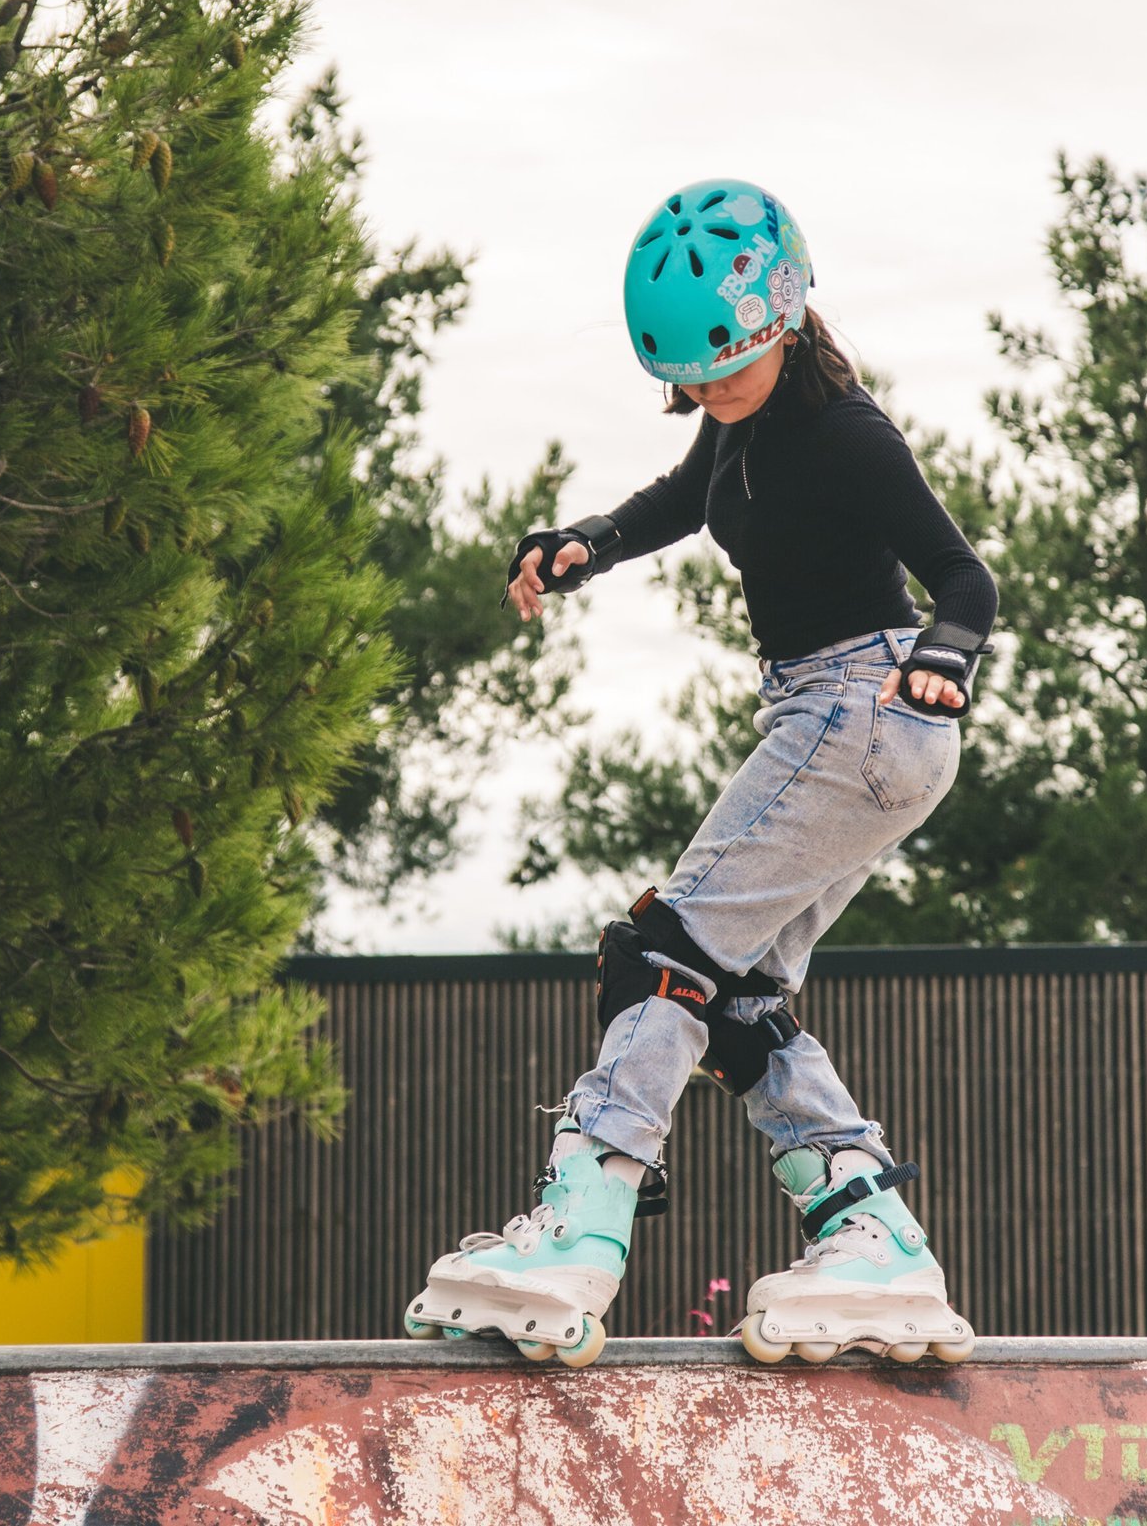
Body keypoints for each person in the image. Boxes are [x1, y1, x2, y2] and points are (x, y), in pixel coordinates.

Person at [405, 178, 997, 1367]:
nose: (709, 397)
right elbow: (685, 497)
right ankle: (867, 1225)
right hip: (838, 723)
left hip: (867, 707)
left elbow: (965, 576)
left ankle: (584, 1214)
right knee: (736, 997)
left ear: (782, 322)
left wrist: (944, 655)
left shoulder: (848, 434)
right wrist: (586, 544)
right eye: (691, 382)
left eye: (727, 372)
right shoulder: (740, 419)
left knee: (659, 950)